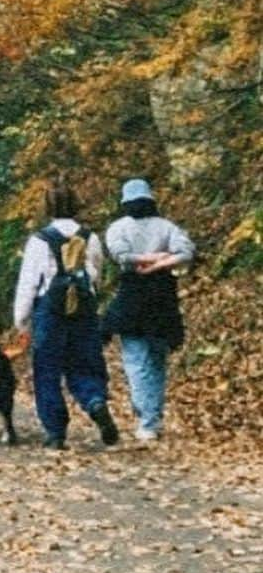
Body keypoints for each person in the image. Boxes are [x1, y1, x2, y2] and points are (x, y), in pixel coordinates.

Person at [13, 181, 119, 450]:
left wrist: (21, 320)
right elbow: (96, 274)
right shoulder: (90, 237)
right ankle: (95, 403)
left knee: (47, 371)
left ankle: (55, 432)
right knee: (83, 364)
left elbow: (28, 283)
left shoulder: (39, 241)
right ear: (75, 205)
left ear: (47, 207)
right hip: (84, 312)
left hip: (50, 311)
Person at [103, 177, 195, 442]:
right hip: (163, 298)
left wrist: (148, 263)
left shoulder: (117, 228)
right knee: (157, 360)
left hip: (132, 296)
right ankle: (151, 418)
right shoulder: (167, 227)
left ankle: (147, 418)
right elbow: (186, 252)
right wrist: (161, 261)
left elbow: (122, 256)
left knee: (136, 360)